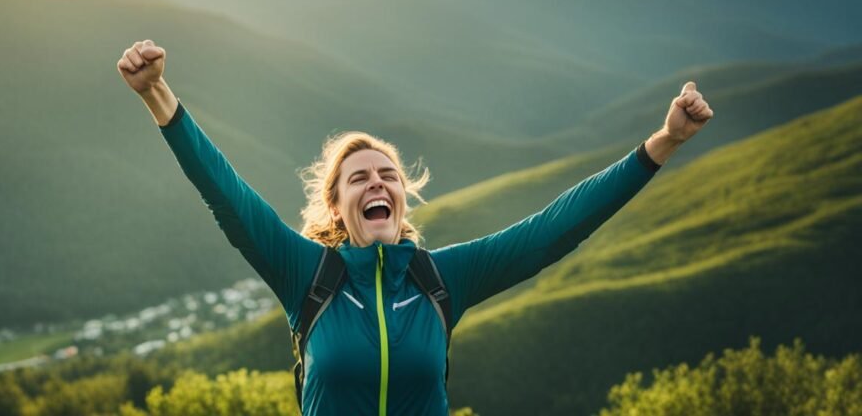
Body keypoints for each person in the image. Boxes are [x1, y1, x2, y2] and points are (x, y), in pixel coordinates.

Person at [117, 39, 714, 415]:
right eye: (358, 179)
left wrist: (662, 144)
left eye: (388, 175)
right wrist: (158, 95)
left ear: (402, 197)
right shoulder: (306, 275)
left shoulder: (441, 280)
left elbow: (555, 228)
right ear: (335, 207)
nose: (377, 183)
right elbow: (227, 194)